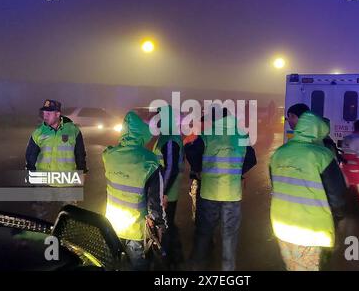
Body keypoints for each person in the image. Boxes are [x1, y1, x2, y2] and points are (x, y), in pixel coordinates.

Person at [269, 111, 347, 271]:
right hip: (311, 229)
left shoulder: (279, 153)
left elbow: (276, 185)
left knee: (292, 266)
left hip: (281, 226)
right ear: (318, 131)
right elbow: (337, 195)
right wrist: (338, 215)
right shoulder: (322, 155)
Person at [186, 107, 257, 271]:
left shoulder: (208, 134)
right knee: (229, 237)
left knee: (204, 234)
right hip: (232, 194)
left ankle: (197, 268)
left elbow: (191, 151)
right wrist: (238, 171)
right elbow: (252, 159)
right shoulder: (241, 135)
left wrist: (198, 168)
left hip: (209, 192)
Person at [103, 111, 166, 271]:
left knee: (114, 263)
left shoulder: (109, 155)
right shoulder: (149, 161)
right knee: (138, 265)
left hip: (112, 224)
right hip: (136, 228)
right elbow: (155, 201)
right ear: (142, 134)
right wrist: (158, 225)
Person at [25, 99, 87, 220]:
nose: (45, 116)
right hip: (43, 182)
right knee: (41, 217)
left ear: (58, 114)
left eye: (49, 113)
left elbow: (80, 154)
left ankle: (64, 238)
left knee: (69, 217)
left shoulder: (73, 130)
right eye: (44, 113)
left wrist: (82, 172)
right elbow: (30, 157)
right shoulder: (38, 132)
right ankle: (43, 238)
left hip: (67, 183)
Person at [152, 105, 185, 269]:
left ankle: (171, 260)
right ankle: (175, 257)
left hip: (167, 191)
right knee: (169, 223)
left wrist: (162, 192)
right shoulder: (167, 136)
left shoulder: (170, 139)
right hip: (166, 189)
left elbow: (171, 168)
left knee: (166, 225)